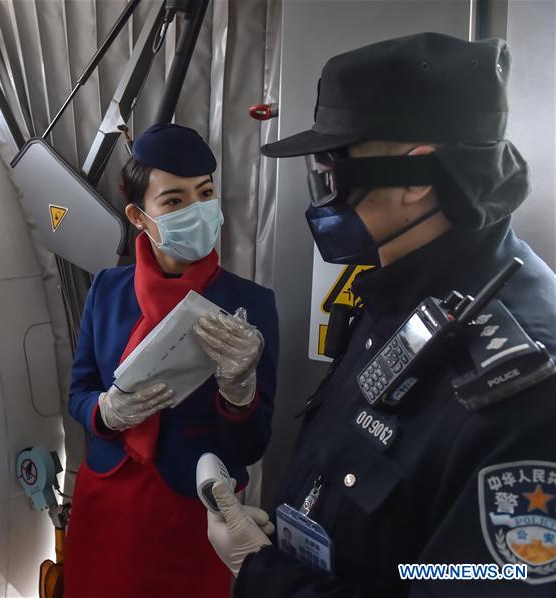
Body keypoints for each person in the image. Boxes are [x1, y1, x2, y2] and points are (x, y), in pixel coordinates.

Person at [207, 32, 556, 596]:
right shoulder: (400, 289)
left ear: (416, 179)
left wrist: (262, 574)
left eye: (332, 164)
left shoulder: (520, 389)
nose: (321, 188)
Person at [63, 123, 279, 597]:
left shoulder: (250, 305)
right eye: (175, 201)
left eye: (205, 194)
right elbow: (79, 392)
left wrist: (239, 395)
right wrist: (105, 411)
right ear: (139, 217)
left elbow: (252, 445)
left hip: (199, 508)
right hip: (110, 496)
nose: (198, 211)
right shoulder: (106, 291)